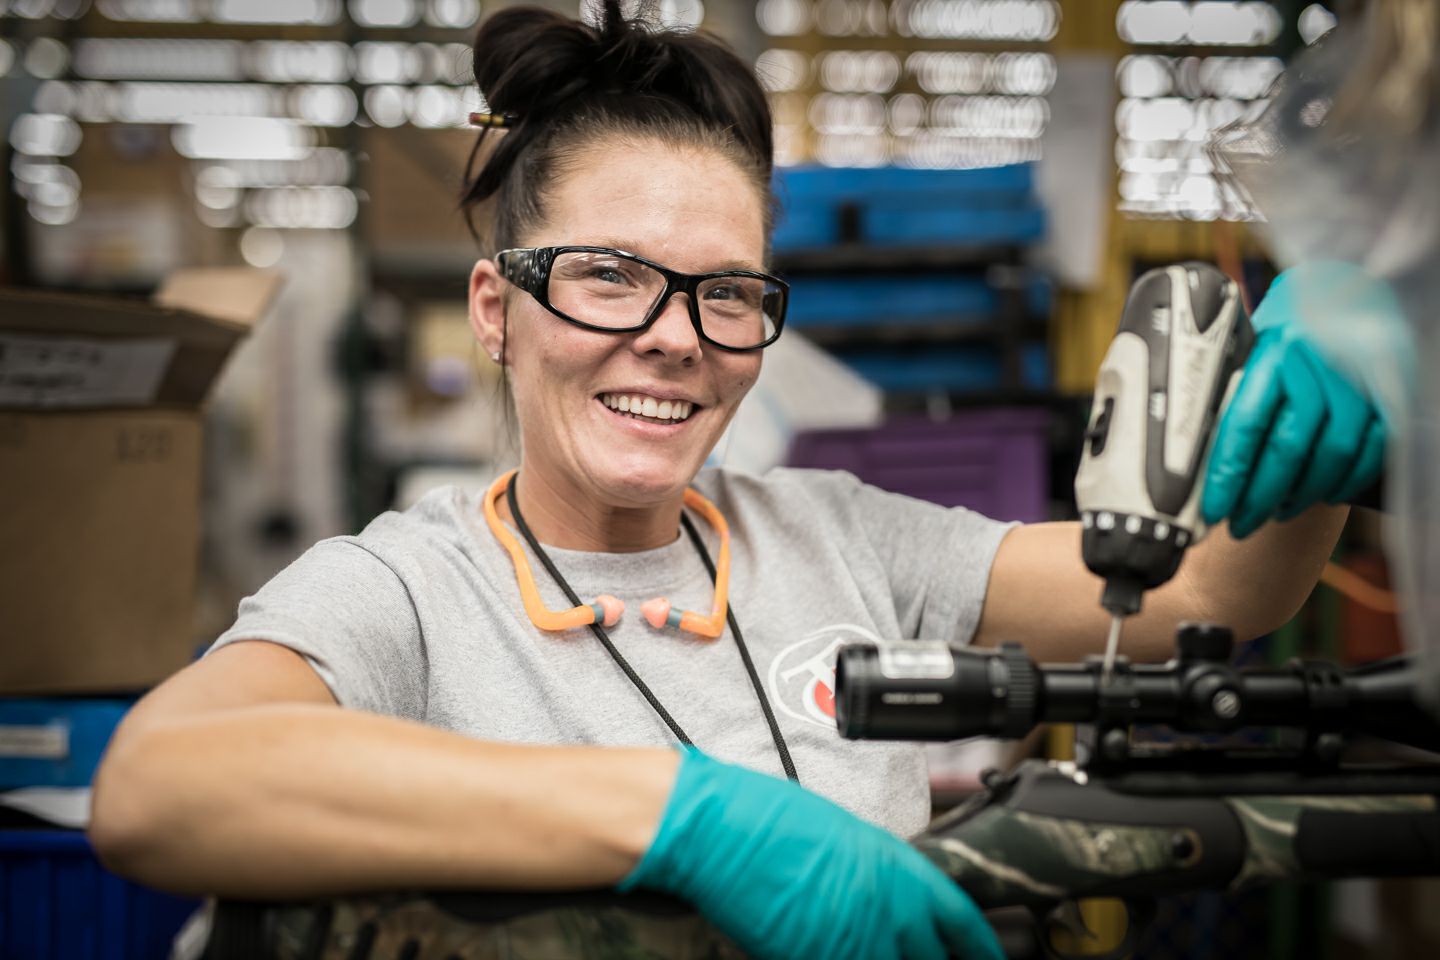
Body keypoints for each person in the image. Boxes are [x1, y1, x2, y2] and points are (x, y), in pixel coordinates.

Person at [88, 3, 1381, 958]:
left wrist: (1350, 347)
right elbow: (158, 789)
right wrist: (685, 818)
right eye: (607, 276)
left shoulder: (843, 538)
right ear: (497, 307)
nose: (672, 336)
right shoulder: (407, 590)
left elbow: (1211, 591)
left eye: (726, 294)